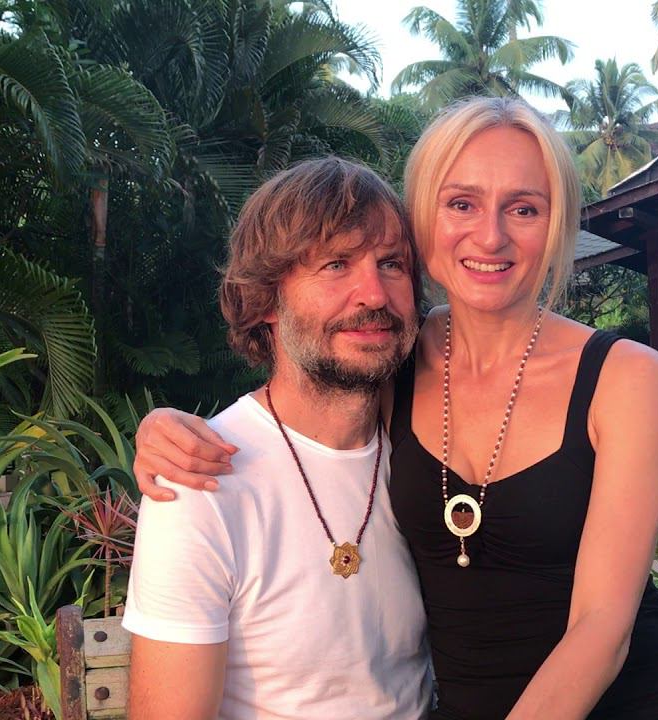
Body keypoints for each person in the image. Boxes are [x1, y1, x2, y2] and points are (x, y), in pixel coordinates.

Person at [135, 97, 658, 720]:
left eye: (524, 208)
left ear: (556, 226)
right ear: (425, 221)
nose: (491, 235)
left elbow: (603, 627)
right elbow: (303, 386)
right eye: (462, 203)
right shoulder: (393, 363)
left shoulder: (624, 376)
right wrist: (160, 428)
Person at [124, 157, 432, 719]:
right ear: (265, 299)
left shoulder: (430, 449)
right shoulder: (201, 482)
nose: (374, 294)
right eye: (336, 264)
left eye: (392, 264)